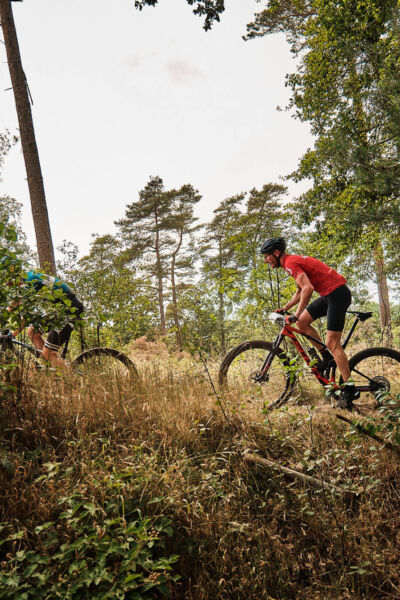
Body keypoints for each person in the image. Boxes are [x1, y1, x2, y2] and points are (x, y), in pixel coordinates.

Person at [260, 237, 358, 409]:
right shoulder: (290, 262)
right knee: (302, 323)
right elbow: (300, 290)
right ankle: (327, 358)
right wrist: (285, 308)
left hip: (337, 294)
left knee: (332, 342)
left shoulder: (290, 263)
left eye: (266, 256)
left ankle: (350, 389)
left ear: (276, 253)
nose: (265, 260)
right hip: (328, 294)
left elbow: (308, 288)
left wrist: (295, 314)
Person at [3, 259, 84, 369]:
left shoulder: (30, 281)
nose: (7, 284)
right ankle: (51, 365)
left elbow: (26, 318)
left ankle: (71, 379)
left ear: (14, 276)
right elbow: (15, 304)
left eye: (8, 281)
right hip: (59, 311)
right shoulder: (26, 281)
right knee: (32, 332)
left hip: (71, 309)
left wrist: (12, 335)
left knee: (48, 352)